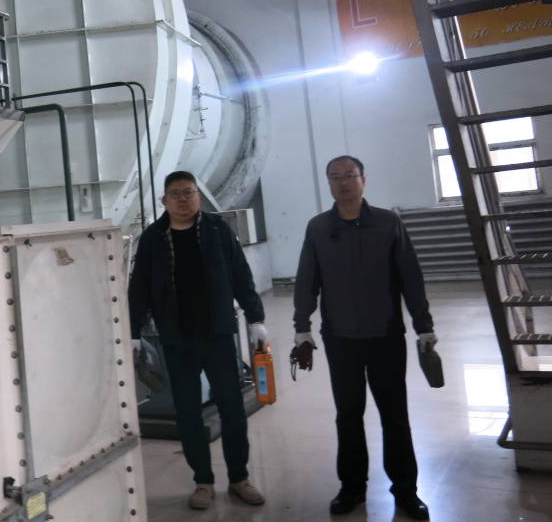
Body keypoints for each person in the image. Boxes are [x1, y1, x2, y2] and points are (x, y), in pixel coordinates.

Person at [293, 155, 436, 520]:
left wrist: (424, 325)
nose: (343, 182)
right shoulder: (318, 228)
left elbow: (410, 276)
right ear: (329, 184)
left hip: (385, 335)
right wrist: (301, 327)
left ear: (363, 180)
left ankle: (405, 491)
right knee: (348, 415)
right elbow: (307, 279)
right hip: (340, 338)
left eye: (349, 175)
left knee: (395, 415)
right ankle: (352, 488)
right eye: (335, 177)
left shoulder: (388, 223)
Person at [128, 170, 267, 510]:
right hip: (176, 340)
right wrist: (132, 331)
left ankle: (239, 478)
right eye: (175, 194)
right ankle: (202, 481)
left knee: (232, 408)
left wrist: (256, 317)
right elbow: (139, 287)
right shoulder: (153, 238)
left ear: (198, 196)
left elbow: (240, 274)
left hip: (217, 334)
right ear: (164, 200)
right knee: (188, 413)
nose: (183, 199)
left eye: (188, 192)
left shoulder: (218, 230)